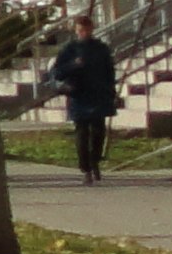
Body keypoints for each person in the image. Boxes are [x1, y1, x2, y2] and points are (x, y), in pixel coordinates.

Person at [51, 12, 122, 184]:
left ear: (92, 29)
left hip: (98, 94)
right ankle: (86, 168)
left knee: (98, 132)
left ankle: (95, 161)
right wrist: (73, 65)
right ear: (76, 30)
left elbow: (109, 72)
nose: (84, 33)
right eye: (81, 30)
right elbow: (58, 73)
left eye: (87, 29)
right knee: (82, 133)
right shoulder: (70, 49)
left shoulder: (101, 48)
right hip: (79, 95)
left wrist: (112, 92)